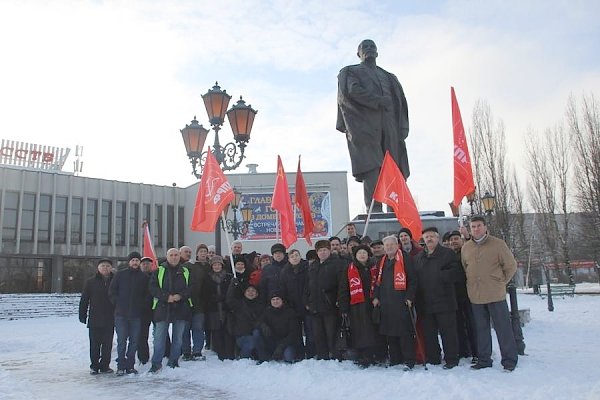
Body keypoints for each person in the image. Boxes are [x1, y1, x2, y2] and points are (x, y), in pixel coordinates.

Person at [337, 39, 410, 212]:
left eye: (372, 47)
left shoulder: (389, 77)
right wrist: (377, 101)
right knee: (372, 165)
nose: (369, 49)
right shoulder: (351, 71)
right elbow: (352, 92)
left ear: (377, 52)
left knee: (392, 165)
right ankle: (374, 210)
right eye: (365, 47)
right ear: (358, 54)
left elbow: (400, 102)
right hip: (365, 125)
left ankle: (395, 208)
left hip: (390, 124)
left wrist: (401, 127)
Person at [461, 216, 518, 372]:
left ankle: (509, 360)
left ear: (485, 227)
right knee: (481, 330)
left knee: (503, 329)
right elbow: (466, 267)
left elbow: (511, 266)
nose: (476, 229)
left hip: (495, 295)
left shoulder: (498, 245)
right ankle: (484, 359)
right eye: (473, 226)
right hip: (476, 296)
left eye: (479, 226)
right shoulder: (466, 248)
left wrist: (500, 282)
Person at [414, 227, 462, 369]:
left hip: (444, 301)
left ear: (438, 238)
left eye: (432, 236)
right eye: (426, 237)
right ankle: (433, 357)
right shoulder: (418, 258)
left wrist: (439, 275)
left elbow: (456, 272)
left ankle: (452, 358)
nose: (429, 239)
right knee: (429, 333)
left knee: (448, 333)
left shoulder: (447, 254)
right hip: (426, 302)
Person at [372, 235, 417, 370]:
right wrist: (376, 297)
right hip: (386, 302)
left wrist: (410, 297)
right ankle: (395, 359)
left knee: (404, 333)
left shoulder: (406, 259)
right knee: (390, 333)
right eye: (387, 245)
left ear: (397, 245)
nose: (389, 247)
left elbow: (413, 280)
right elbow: (377, 282)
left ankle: (409, 360)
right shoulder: (382, 261)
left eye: (392, 244)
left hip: (402, 301)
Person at [148, 248, 193, 372]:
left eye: (176, 255)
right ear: (167, 257)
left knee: (178, 338)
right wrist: (166, 297)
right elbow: (153, 287)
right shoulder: (159, 270)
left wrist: (180, 296)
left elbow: (191, 288)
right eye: (171, 255)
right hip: (163, 308)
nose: (174, 257)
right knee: (159, 339)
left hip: (181, 308)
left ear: (179, 256)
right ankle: (156, 363)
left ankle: (173, 361)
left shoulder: (186, 271)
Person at [337, 245, 380, 367]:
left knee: (372, 330)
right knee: (359, 331)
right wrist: (343, 307)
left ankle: (372, 354)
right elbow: (343, 289)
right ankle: (362, 355)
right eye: (359, 253)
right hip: (356, 305)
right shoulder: (349, 269)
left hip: (372, 303)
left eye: (364, 253)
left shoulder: (374, 268)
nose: (362, 255)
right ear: (355, 256)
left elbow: (379, 283)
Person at [108, 251, 149, 376]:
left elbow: (147, 296)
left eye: (137, 260)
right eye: (133, 260)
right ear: (129, 262)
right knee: (122, 341)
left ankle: (130, 365)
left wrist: (141, 306)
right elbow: (112, 291)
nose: (135, 262)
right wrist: (118, 303)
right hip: (121, 315)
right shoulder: (120, 275)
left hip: (136, 315)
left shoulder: (144, 277)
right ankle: (121, 365)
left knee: (134, 341)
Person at [304, 240, 344, 360]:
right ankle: (322, 356)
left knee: (331, 332)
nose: (322, 252)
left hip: (330, 305)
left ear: (329, 250)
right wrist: (307, 301)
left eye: (325, 250)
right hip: (315, 306)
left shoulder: (336, 264)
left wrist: (338, 300)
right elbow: (307, 285)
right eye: (320, 250)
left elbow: (341, 285)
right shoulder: (313, 266)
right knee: (318, 334)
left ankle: (334, 355)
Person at [79, 258, 115, 375]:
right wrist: (82, 314)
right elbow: (84, 299)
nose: (105, 268)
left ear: (111, 268)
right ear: (98, 268)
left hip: (110, 318)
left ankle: (105, 366)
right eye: (103, 266)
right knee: (94, 344)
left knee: (107, 344)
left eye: (108, 266)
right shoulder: (91, 282)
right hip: (95, 318)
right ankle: (94, 366)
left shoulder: (115, 281)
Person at [448, 230, 478, 362]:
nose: (453, 242)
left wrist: (467, 236)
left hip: (469, 294)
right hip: (454, 295)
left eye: (456, 239)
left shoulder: (467, 252)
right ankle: (463, 350)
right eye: (451, 240)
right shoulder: (449, 255)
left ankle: (476, 351)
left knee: (472, 325)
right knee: (458, 325)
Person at [279, 248, 314, 359]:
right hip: (292, 307)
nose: (295, 258)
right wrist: (287, 305)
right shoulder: (285, 271)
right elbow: (283, 290)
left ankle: (311, 353)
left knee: (310, 331)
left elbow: (311, 286)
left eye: (296, 255)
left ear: (300, 256)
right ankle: (299, 354)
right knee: (296, 332)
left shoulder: (308, 268)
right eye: (292, 256)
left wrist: (309, 302)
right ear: (288, 259)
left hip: (306, 306)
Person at [203, 255, 235, 360]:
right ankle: (219, 351)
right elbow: (205, 293)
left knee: (227, 330)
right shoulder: (207, 277)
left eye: (218, 264)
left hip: (226, 308)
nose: (217, 266)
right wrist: (214, 298)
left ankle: (229, 352)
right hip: (213, 308)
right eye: (214, 264)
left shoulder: (229, 277)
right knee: (216, 330)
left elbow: (232, 292)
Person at [226, 284, 267, 361]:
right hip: (242, 336)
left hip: (256, 335)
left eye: (253, 291)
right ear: (244, 293)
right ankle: (242, 358)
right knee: (251, 342)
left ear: (257, 293)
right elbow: (229, 300)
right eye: (248, 291)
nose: (250, 293)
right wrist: (232, 286)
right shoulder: (239, 304)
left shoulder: (261, 305)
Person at [259, 292, 301, 362]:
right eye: (273, 299)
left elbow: (293, 333)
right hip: (272, 342)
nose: (275, 301)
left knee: (288, 357)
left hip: (287, 343)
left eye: (278, 299)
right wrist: (263, 325)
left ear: (282, 300)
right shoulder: (267, 312)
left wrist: (281, 346)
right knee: (257, 333)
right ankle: (263, 356)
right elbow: (258, 322)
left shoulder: (290, 312)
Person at [137, 256, 155, 365]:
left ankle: (166, 353)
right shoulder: (137, 277)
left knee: (161, 333)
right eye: (143, 263)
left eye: (148, 263)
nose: (145, 265)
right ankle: (143, 357)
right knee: (142, 334)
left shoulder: (155, 275)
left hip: (156, 308)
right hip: (142, 310)